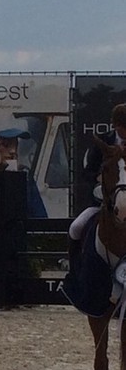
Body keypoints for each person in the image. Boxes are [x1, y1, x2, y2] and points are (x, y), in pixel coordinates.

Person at [68, 103, 126, 274]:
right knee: (76, 228)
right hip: (103, 203)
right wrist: (97, 178)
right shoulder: (104, 141)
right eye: (124, 128)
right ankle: (74, 274)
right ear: (115, 126)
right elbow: (87, 172)